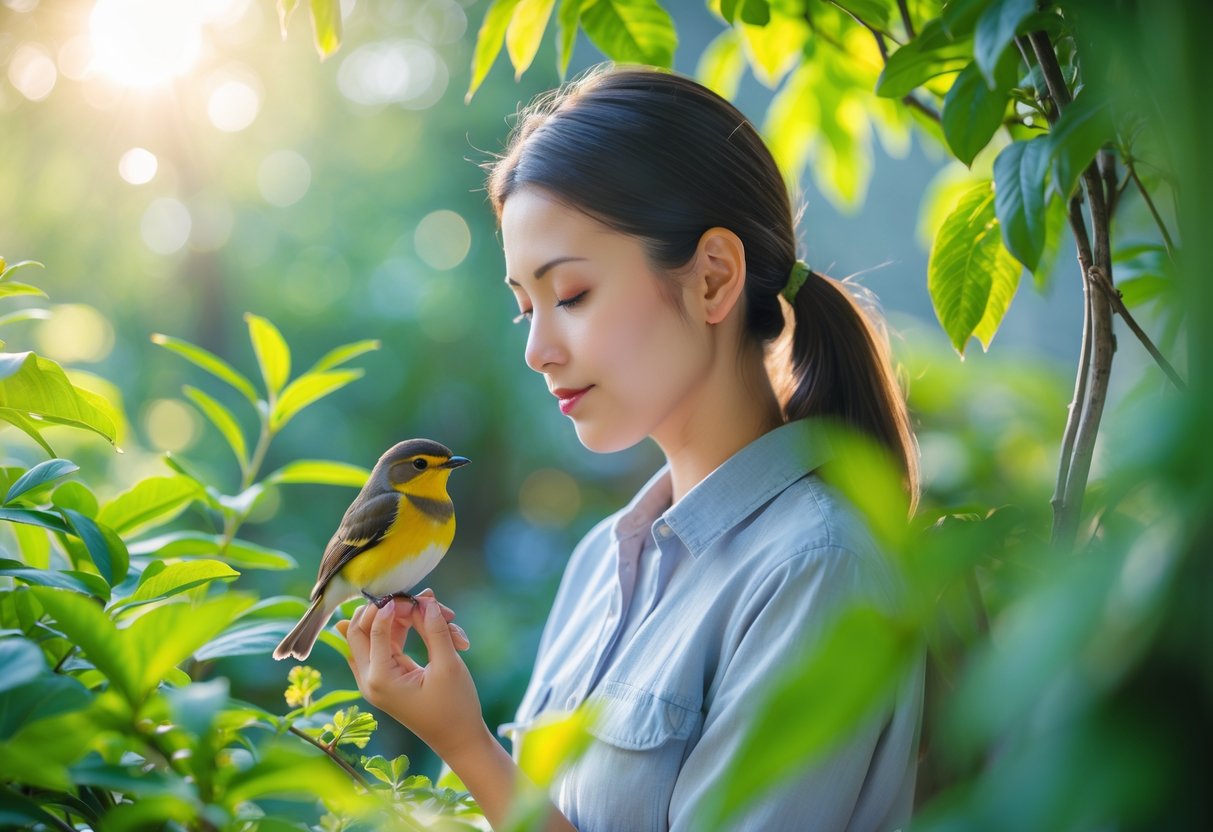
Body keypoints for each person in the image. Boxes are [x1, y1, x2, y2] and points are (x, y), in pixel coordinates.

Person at [337, 63, 925, 832]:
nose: (537, 349)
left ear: (712, 278)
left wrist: (468, 747)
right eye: (524, 310)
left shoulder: (816, 569)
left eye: (571, 295)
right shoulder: (597, 565)